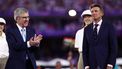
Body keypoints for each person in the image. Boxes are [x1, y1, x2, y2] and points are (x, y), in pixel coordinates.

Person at [82, 4, 118, 69]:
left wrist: (110, 64)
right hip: (91, 65)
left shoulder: (109, 27)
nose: (93, 13)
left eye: (96, 11)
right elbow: (85, 49)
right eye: (92, 11)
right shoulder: (86, 29)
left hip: (106, 64)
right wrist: (86, 65)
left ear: (102, 13)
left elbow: (113, 48)